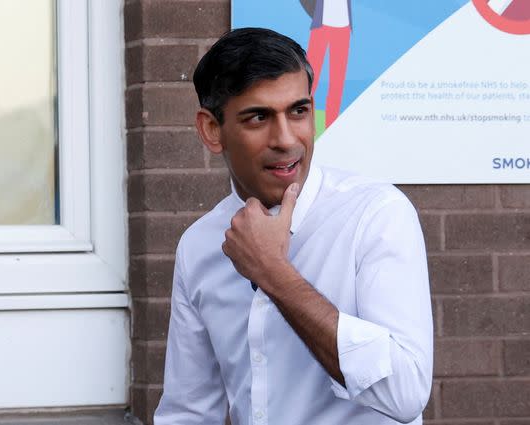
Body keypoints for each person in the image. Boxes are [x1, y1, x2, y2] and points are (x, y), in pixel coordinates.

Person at [154, 28, 432, 425]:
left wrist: (274, 274)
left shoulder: (376, 216)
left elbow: (406, 395)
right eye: (258, 118)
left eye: (298, 111)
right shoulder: (199, 244)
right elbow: (189, 412)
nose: (285, 139)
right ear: (212, 130)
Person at [306, 0, 352, 128]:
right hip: (321, 27)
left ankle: (331, 128)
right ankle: (306, 125)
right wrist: (316, 14)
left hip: (343, 29)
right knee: (309, 81)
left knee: (337, 83)